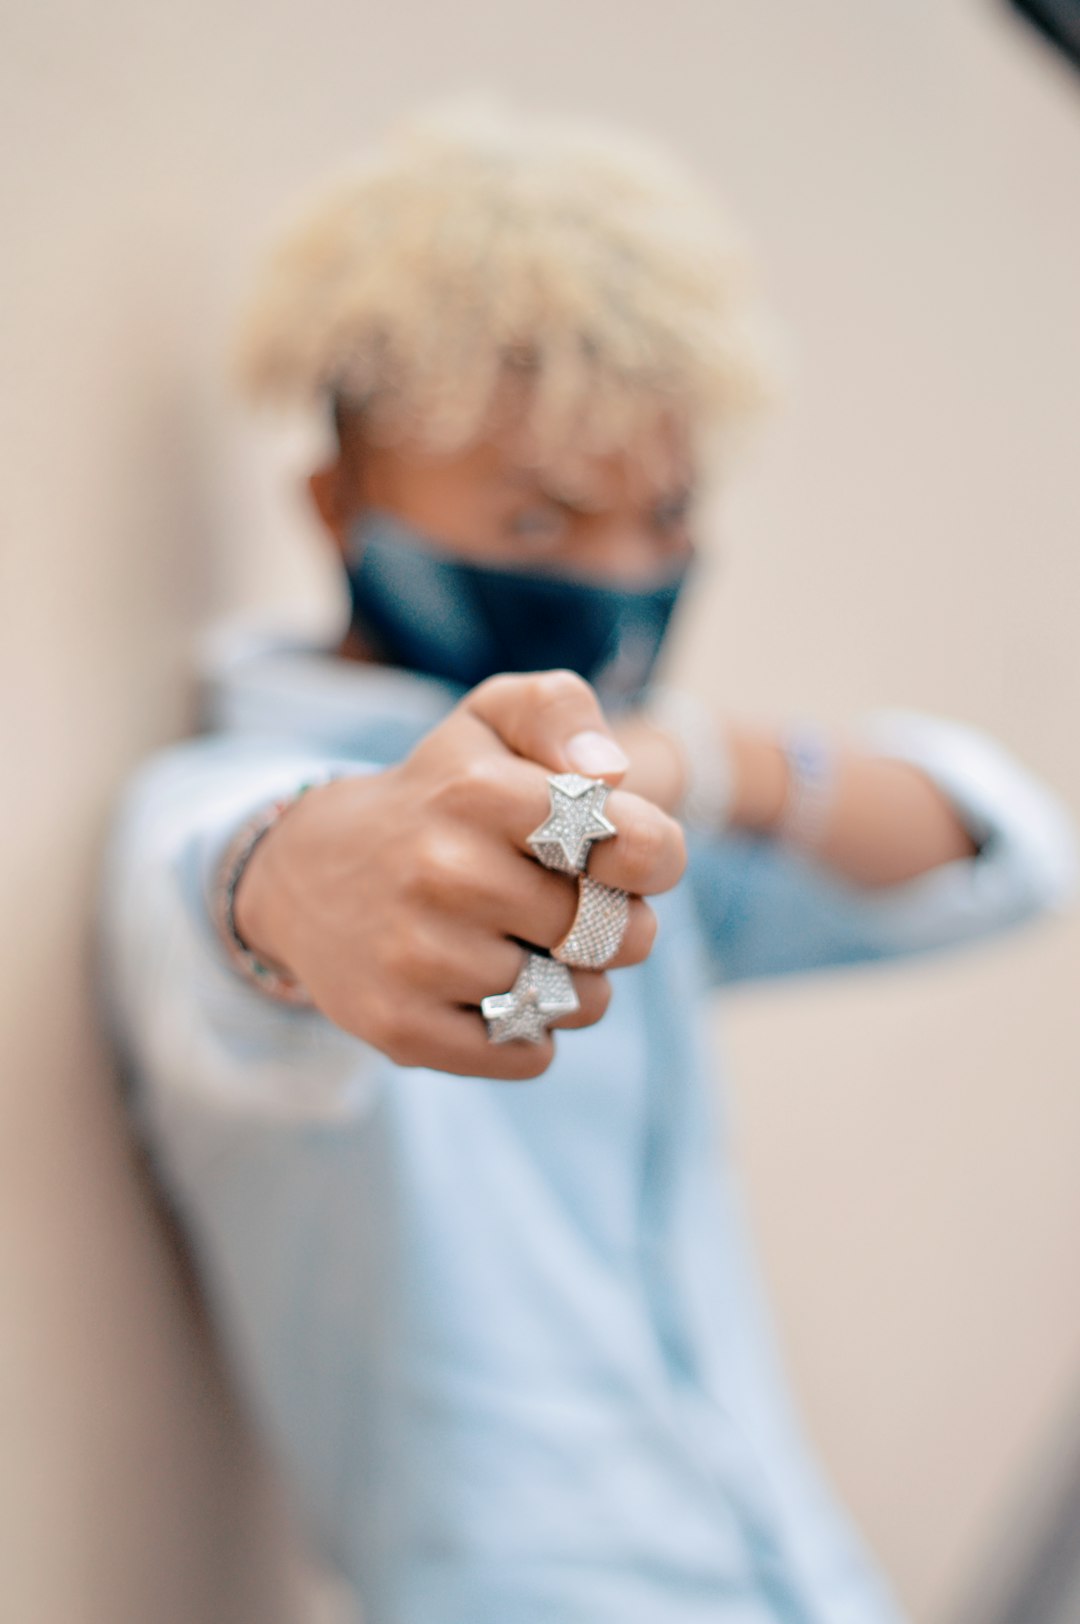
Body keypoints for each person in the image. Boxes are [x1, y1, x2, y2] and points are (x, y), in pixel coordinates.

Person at [98, 102, 1077, 1624]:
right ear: (338, 508)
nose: (621, 575)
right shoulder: (218, 798)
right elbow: (244, 882)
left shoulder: (618, 830)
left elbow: (1002, 849)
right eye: (540, 516)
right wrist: (300, 887)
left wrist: (705, 761)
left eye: (667, 516)